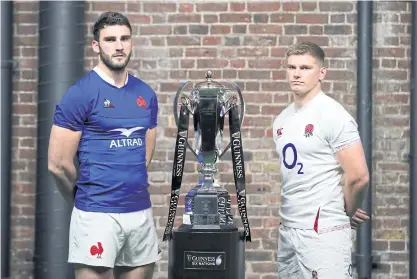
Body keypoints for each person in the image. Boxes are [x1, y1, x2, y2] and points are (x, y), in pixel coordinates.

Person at [48, 11, 161, 279]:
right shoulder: (81, 93)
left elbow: (145, 152)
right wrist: (79, 198)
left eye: (125, 38)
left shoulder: (145, 94)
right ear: (96, 46)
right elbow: (58, 164)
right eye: (110, 39)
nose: (119, 46)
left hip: (139, 211)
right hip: (96, 214)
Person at [272, 42, 370, 278]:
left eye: (305, 67)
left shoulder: (333, 115)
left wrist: (344, 209)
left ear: (321, 73)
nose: (296, 73)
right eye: (291, 67)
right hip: (288, 229)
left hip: (322, 231)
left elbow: (359, 176)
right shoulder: (281, 120)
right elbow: (303, 172)